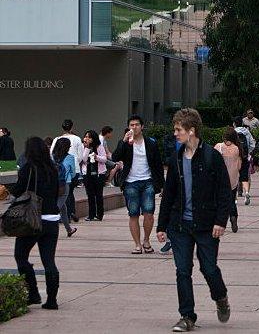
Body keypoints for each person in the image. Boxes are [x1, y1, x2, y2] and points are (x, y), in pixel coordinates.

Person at [156, 108, 232, 332]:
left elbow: (224, 192)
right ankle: (187, 316)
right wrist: (162, 226)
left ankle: (221, 297)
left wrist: (220, 221)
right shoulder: (176, 158)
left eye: (178, 130)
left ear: (191, 131)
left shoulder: (211, 156)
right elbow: (169, 193)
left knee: (208, 268)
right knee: (182, 270)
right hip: (180, 225)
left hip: (207, 225)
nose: (175, 134)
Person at [12, 137, 62, 309]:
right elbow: (56, 193)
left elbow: (18, 190)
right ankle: (52, 300)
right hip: (52, 220)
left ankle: (33, 293)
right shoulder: (53, 169)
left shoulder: (28, 169)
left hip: (32, 221)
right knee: (49, 261)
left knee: (20, 255)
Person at [113, 115, 165, 254]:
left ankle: (146, 240)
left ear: (142, 127)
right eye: (131, 125)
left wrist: (162, 185)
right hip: (131, 182)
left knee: (149, 212)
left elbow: (158, 165)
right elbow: (115, 157)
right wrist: (123, 142)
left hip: (148, 181)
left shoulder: (150, 143)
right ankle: (137, 244)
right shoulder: (125, 143)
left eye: (136, 125)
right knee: (133, 214)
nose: (134, 127)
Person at [51, 119, 83, 223]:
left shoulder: (56, 139)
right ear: (72, 127)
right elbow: (80, 156)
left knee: (63, 193)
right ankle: (70, 212)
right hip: (74, 169)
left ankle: (67, 213)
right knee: (69, 192)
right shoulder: (77, 139)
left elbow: (52, 154)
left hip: (59, 171)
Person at [215, 128, 243, 233]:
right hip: (233, 179)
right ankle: (233, 216)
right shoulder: (236, 148)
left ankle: (220, 221)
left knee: (220, 201)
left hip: (220, 179)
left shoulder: (218, 147)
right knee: (231, 200)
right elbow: (239, 166)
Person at [51, 139, 77, 237]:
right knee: (57, 208)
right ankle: (45, 227)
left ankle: (69, 229)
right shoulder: (70, 157)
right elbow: (73, 173)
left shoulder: (52, 157)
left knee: (63, 208)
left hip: (54, 184)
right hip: (64, 185)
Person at [82, 129, 109, 222]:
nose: (86, 138)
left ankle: (99, 214)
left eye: (89, 137)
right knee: (90, 195)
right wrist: (87, 148)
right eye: (85, 136)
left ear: (93, 138)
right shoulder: (85, 147)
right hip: (87, 174)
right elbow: (84, 159)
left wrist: (96, 157)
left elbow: (105, 159)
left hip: (99, 174)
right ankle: (91, 215)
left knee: (98, 194)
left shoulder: (99, 147)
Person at [232, 117, 254, 206]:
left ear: (234, 123)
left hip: (235, 157)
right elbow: (252, 144)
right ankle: (247, 192)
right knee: (245, 177)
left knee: (234, 177)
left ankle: (235, 198)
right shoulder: (246, 131)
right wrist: (248, 153)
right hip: (245, 157)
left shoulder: (233, 132)